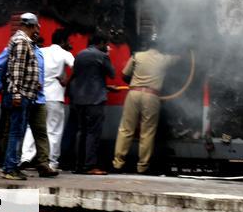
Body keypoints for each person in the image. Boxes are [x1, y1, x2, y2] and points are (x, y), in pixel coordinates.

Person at [0, 33, 56, 176]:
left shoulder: (39, 52)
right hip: (20, 97)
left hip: (38, 98)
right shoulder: (15, 48)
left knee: (40, 131)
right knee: (15, 132)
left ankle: (43, 164)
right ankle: (9, 164)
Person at [112, 33, 179, 174]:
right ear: (160, 46)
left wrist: (135, 83)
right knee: (147, 132)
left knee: (126, 129)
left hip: (133, 94)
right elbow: (180, 58)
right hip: (151, 96)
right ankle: (142, 167)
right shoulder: (164, 59)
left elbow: (124, 75)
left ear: (147, 45)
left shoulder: (137, 56)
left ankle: (118, 164)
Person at [67, 30, 114, 175]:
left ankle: (79, 165)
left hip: (79, 99)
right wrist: (107, 55)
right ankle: (90, 165)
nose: (107, 46)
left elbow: (83, 77)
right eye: (106, 44)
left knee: (82, 132)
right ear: (101, 43)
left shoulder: (79, 55)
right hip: (95, 99)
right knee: (93, 132)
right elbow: (111, 73)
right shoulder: (102, 55)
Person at [1, 13, 42, 181]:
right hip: (21, 95)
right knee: (16, 133)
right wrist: (17, 94)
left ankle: (11, 167)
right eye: (37, 27)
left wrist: (34, 83)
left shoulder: (23, 41)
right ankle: (10, 168)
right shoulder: (21, 42)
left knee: (17, 132)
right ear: (31, 26)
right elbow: (17, 70)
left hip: (25, 93)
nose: (38, 30)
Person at [31, 29, 74, 172]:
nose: (70, 44)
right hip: (55, 97)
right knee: (54, 131)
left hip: (39, 96)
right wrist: (67, 80)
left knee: (36, 129)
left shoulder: (41, 51)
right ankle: (52, 162)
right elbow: (77, 66)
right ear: (62, 41)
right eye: (68, 41)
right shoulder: (65, 53)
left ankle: (27, 157)